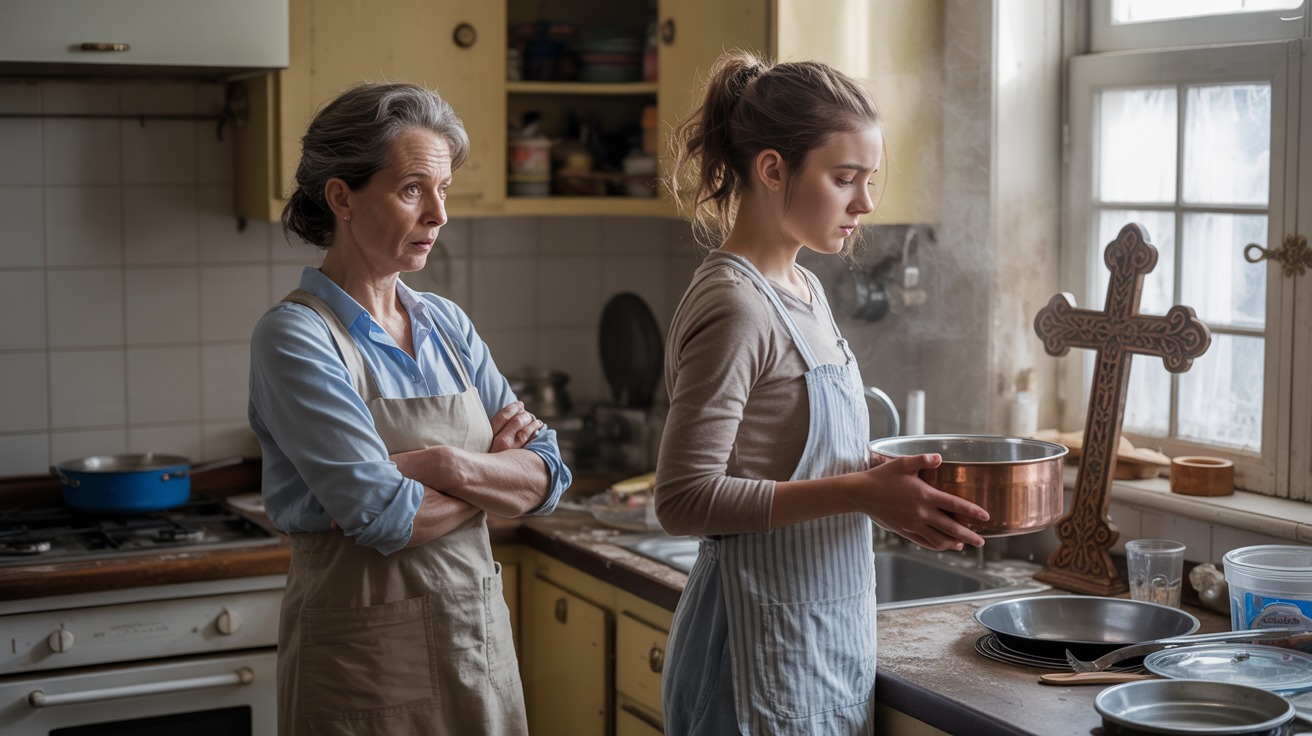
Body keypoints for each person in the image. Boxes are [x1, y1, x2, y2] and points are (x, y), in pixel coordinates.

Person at [654, 50, 990, 735]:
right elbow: (683, 497)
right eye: (844, 179)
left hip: (816, 642)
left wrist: (879, 479)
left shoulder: (803, 288)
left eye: (867, 180)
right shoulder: (736, 305)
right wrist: (861, 495)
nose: (865, 203)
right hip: (747, 655)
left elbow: (779, 451)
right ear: (774, 169)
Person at [248, 81, 571, 736]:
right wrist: (490, 474)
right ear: (342, 196)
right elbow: (384, 516)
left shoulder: (447, 324)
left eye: (444, 189)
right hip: (362, 664)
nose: (439, 215)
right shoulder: (296, 336)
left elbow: (549, 478)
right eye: (412, 189)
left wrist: (440, 463)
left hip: (475, 650)